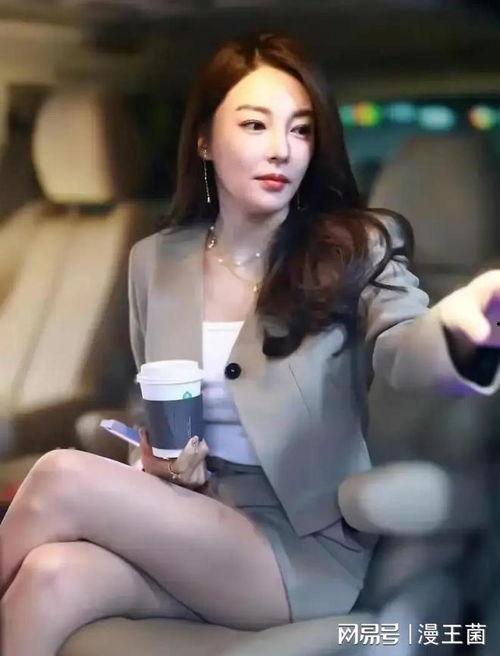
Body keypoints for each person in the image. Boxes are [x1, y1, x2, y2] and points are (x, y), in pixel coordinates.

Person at [1, 32, 500, 656]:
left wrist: (456, 330)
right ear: (206, 140)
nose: (281, 149)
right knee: (49, 578)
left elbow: (404, 346)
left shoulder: (355, 247)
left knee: (60, 475)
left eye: (301, 130)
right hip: (189, 522)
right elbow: (148, 409)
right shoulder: (155, 260)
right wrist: (154, 465)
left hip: (297, 552)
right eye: (255, 125)